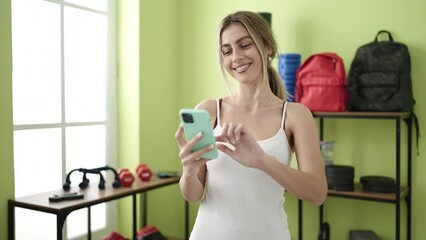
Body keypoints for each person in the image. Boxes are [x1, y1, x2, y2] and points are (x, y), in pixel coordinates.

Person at [175, 11, 327, 240]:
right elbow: (193, 195)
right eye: (226, 51)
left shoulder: (295, 116)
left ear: (267, 48)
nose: (235, 57)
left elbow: (317, 193)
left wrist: (263, 161)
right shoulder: (209, 111)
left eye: (244, 45)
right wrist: (189, 169)